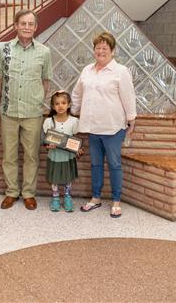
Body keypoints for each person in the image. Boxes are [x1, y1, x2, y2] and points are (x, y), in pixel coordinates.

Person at [71, 32, 136, 218]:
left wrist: (131, 118)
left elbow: (128, 96)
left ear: (113, 51)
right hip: (92, 127)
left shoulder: (121, 71)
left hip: (113, 127)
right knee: (96, 164)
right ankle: (96, 198)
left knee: (115, 164)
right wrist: (72, 112)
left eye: (105, 48)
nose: (100, 51)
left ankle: (116, 200)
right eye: (97, 48)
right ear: (94, 50)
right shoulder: (87, 70)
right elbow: (77, 94)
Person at [0, 9, 52, 210]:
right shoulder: (4, 49)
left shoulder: (44, 52)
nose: (27, 27)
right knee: (9, 155)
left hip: (32, 114)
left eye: (30, 24)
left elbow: (45, 82)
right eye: (23, 23)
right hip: (8, 112)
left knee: (31, 156)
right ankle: (11, 192)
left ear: (36, 27)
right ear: (15, 25)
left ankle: (28, 193)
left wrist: (37, 101)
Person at [43, 90, 81, 212]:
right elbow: (45, 141)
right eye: (57, 103)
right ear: (53, 106)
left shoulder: (74, 121)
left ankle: (67, 197)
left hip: (68, 156)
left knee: (67, 177)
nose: (60, 106)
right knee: (54, 177)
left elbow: (75, 139)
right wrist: (48, 146)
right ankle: (55, 198)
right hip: (54, 155)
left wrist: (78, 148)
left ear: (69, 104)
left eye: (63, 103)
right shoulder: (49, 121)